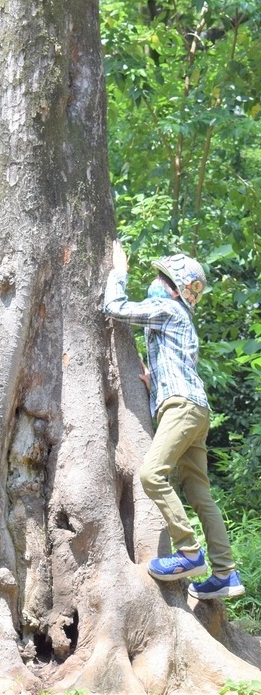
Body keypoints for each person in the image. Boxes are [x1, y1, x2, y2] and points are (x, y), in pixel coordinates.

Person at [103, 240, 244, 600]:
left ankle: (188, 553)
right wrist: (155, 384)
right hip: (196, 409)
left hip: (180, 408)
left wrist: (119, 273)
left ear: (174, 290)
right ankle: (225, 574)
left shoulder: (167, 310)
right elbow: (178, 364)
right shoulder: (181, 319)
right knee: (200, 494)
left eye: (161, 277)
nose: (155, 281)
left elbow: (114, 307)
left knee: (151, 474)